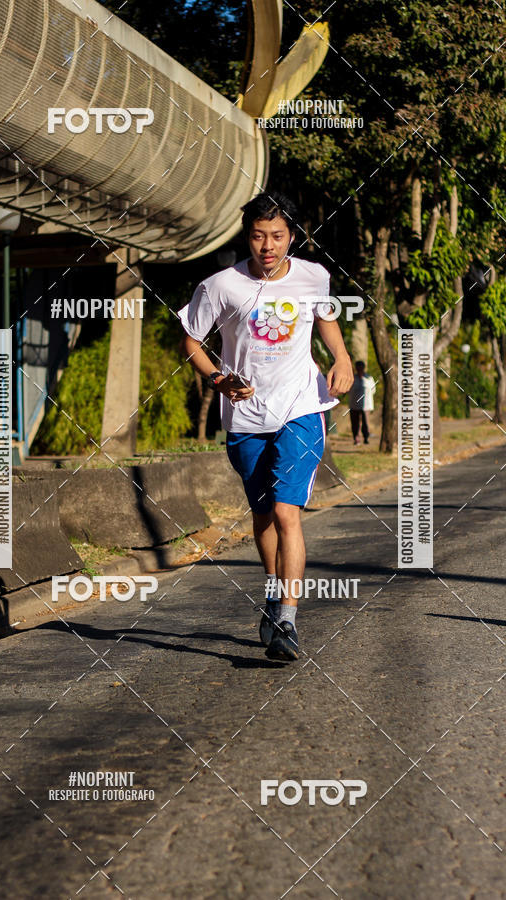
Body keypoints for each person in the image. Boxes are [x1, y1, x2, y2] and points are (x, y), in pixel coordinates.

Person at [178, 190, 353, 661]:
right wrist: (217, 377)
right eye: (258, 236)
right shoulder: (221, 286)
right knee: (262, 518)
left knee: (285, 512)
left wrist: (342, 356)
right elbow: (192, 340)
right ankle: (275, 594)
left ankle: (288, 621)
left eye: (277, 236)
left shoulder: (314, 275)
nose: (268, 246)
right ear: (247, 237)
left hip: (300, 407)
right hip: (246, 417)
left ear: (292, 236)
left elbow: (325, 317)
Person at [349, 360, 376, 445]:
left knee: (365, 422)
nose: (360, 368)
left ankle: (366, 437)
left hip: (366, 405)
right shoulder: (352, 378)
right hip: (354, 404)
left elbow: (373, 390)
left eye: (361, 367)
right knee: (355, 423)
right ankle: (356, 438)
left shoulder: (369, 378)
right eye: (358, 367)